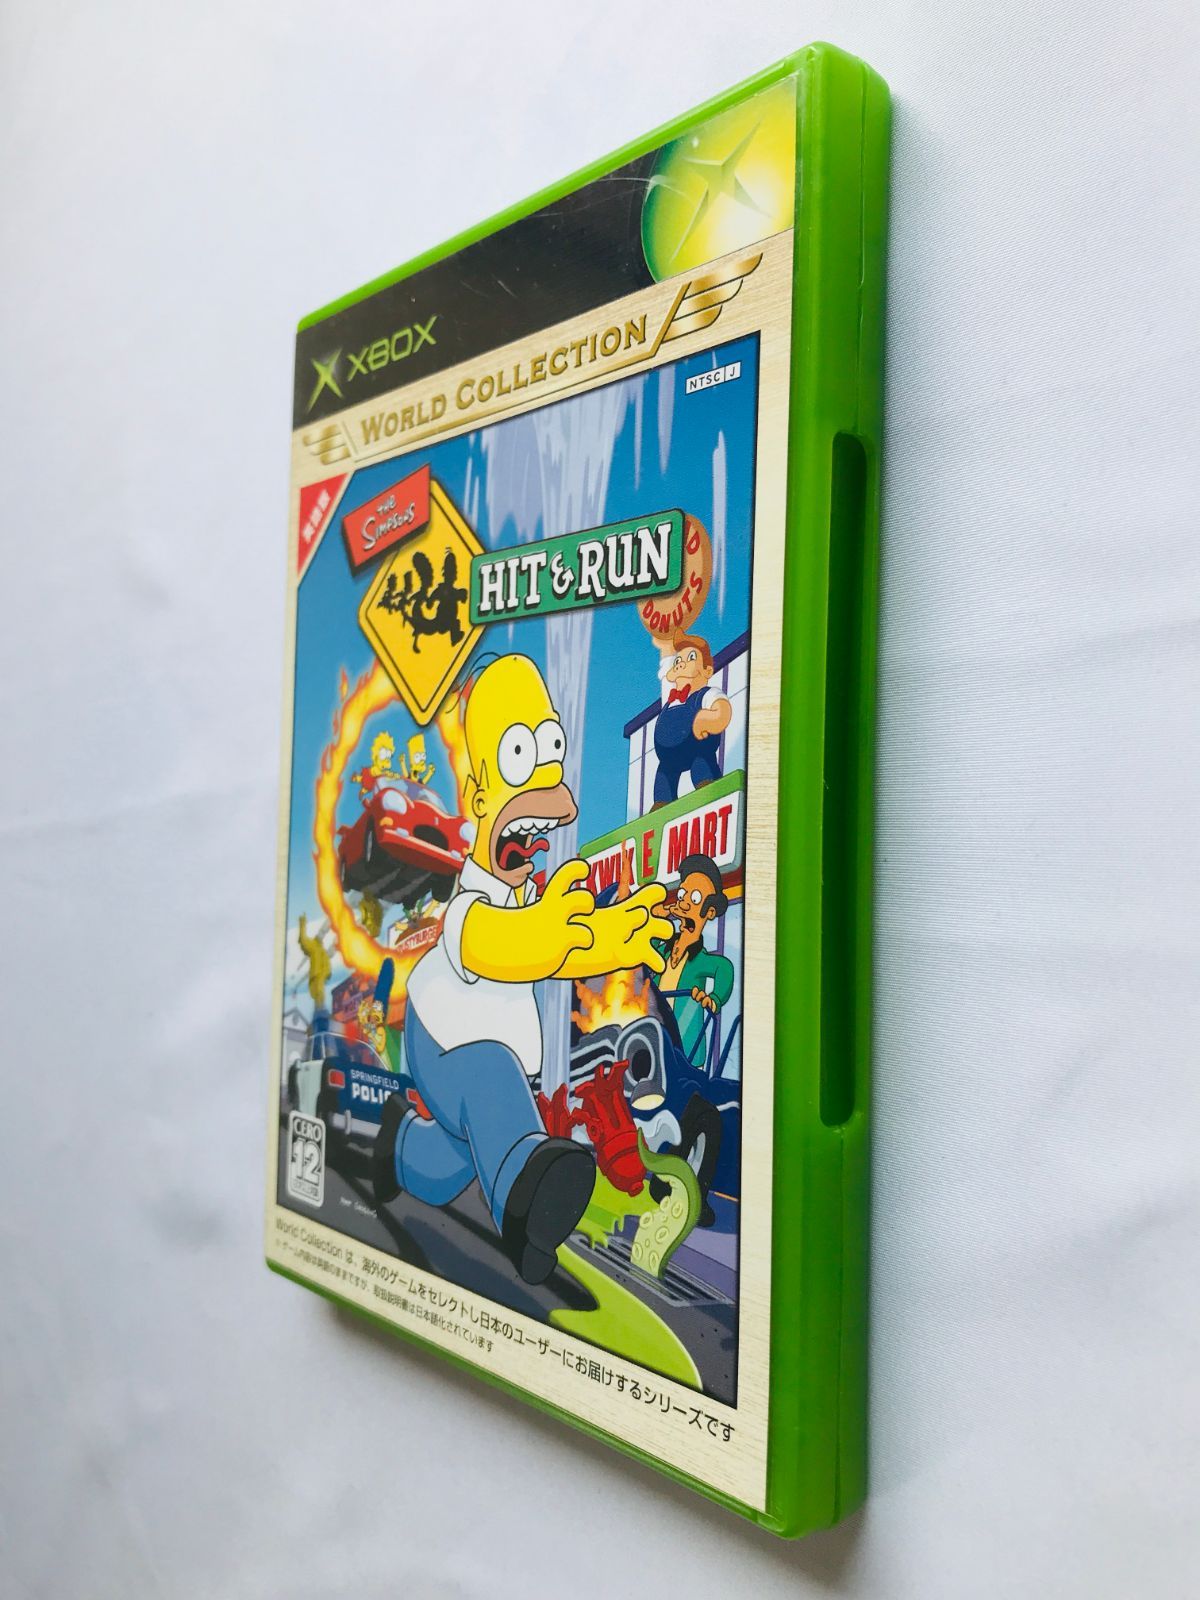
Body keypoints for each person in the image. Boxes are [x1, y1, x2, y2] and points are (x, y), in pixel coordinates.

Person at [372, 654, 673, 1285]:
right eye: (519, 754)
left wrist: (616, 938)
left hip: (487, 1060)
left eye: (550, 749)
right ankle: (522, 1206)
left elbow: (561, 949)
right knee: (491, 1078)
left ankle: (399, 1146)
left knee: (449, 1160)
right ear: (481, 798)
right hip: (445, 1042)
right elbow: (506, 946)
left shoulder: (532, 904)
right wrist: (560, 931)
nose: (542, 807)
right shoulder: (470, 908)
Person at [651, 632, 731, 807]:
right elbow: (665, 673)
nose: (681, 664)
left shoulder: (706, 694)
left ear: (707, 670)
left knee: (701, 764)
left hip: (697, 747)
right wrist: (666, 647)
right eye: (678, 661)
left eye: (691, 658)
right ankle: (662, 802)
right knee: (664, 775)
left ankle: (709, 788)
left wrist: (707, 718)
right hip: (669, 757)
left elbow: (722, 710)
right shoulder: (670, 697)